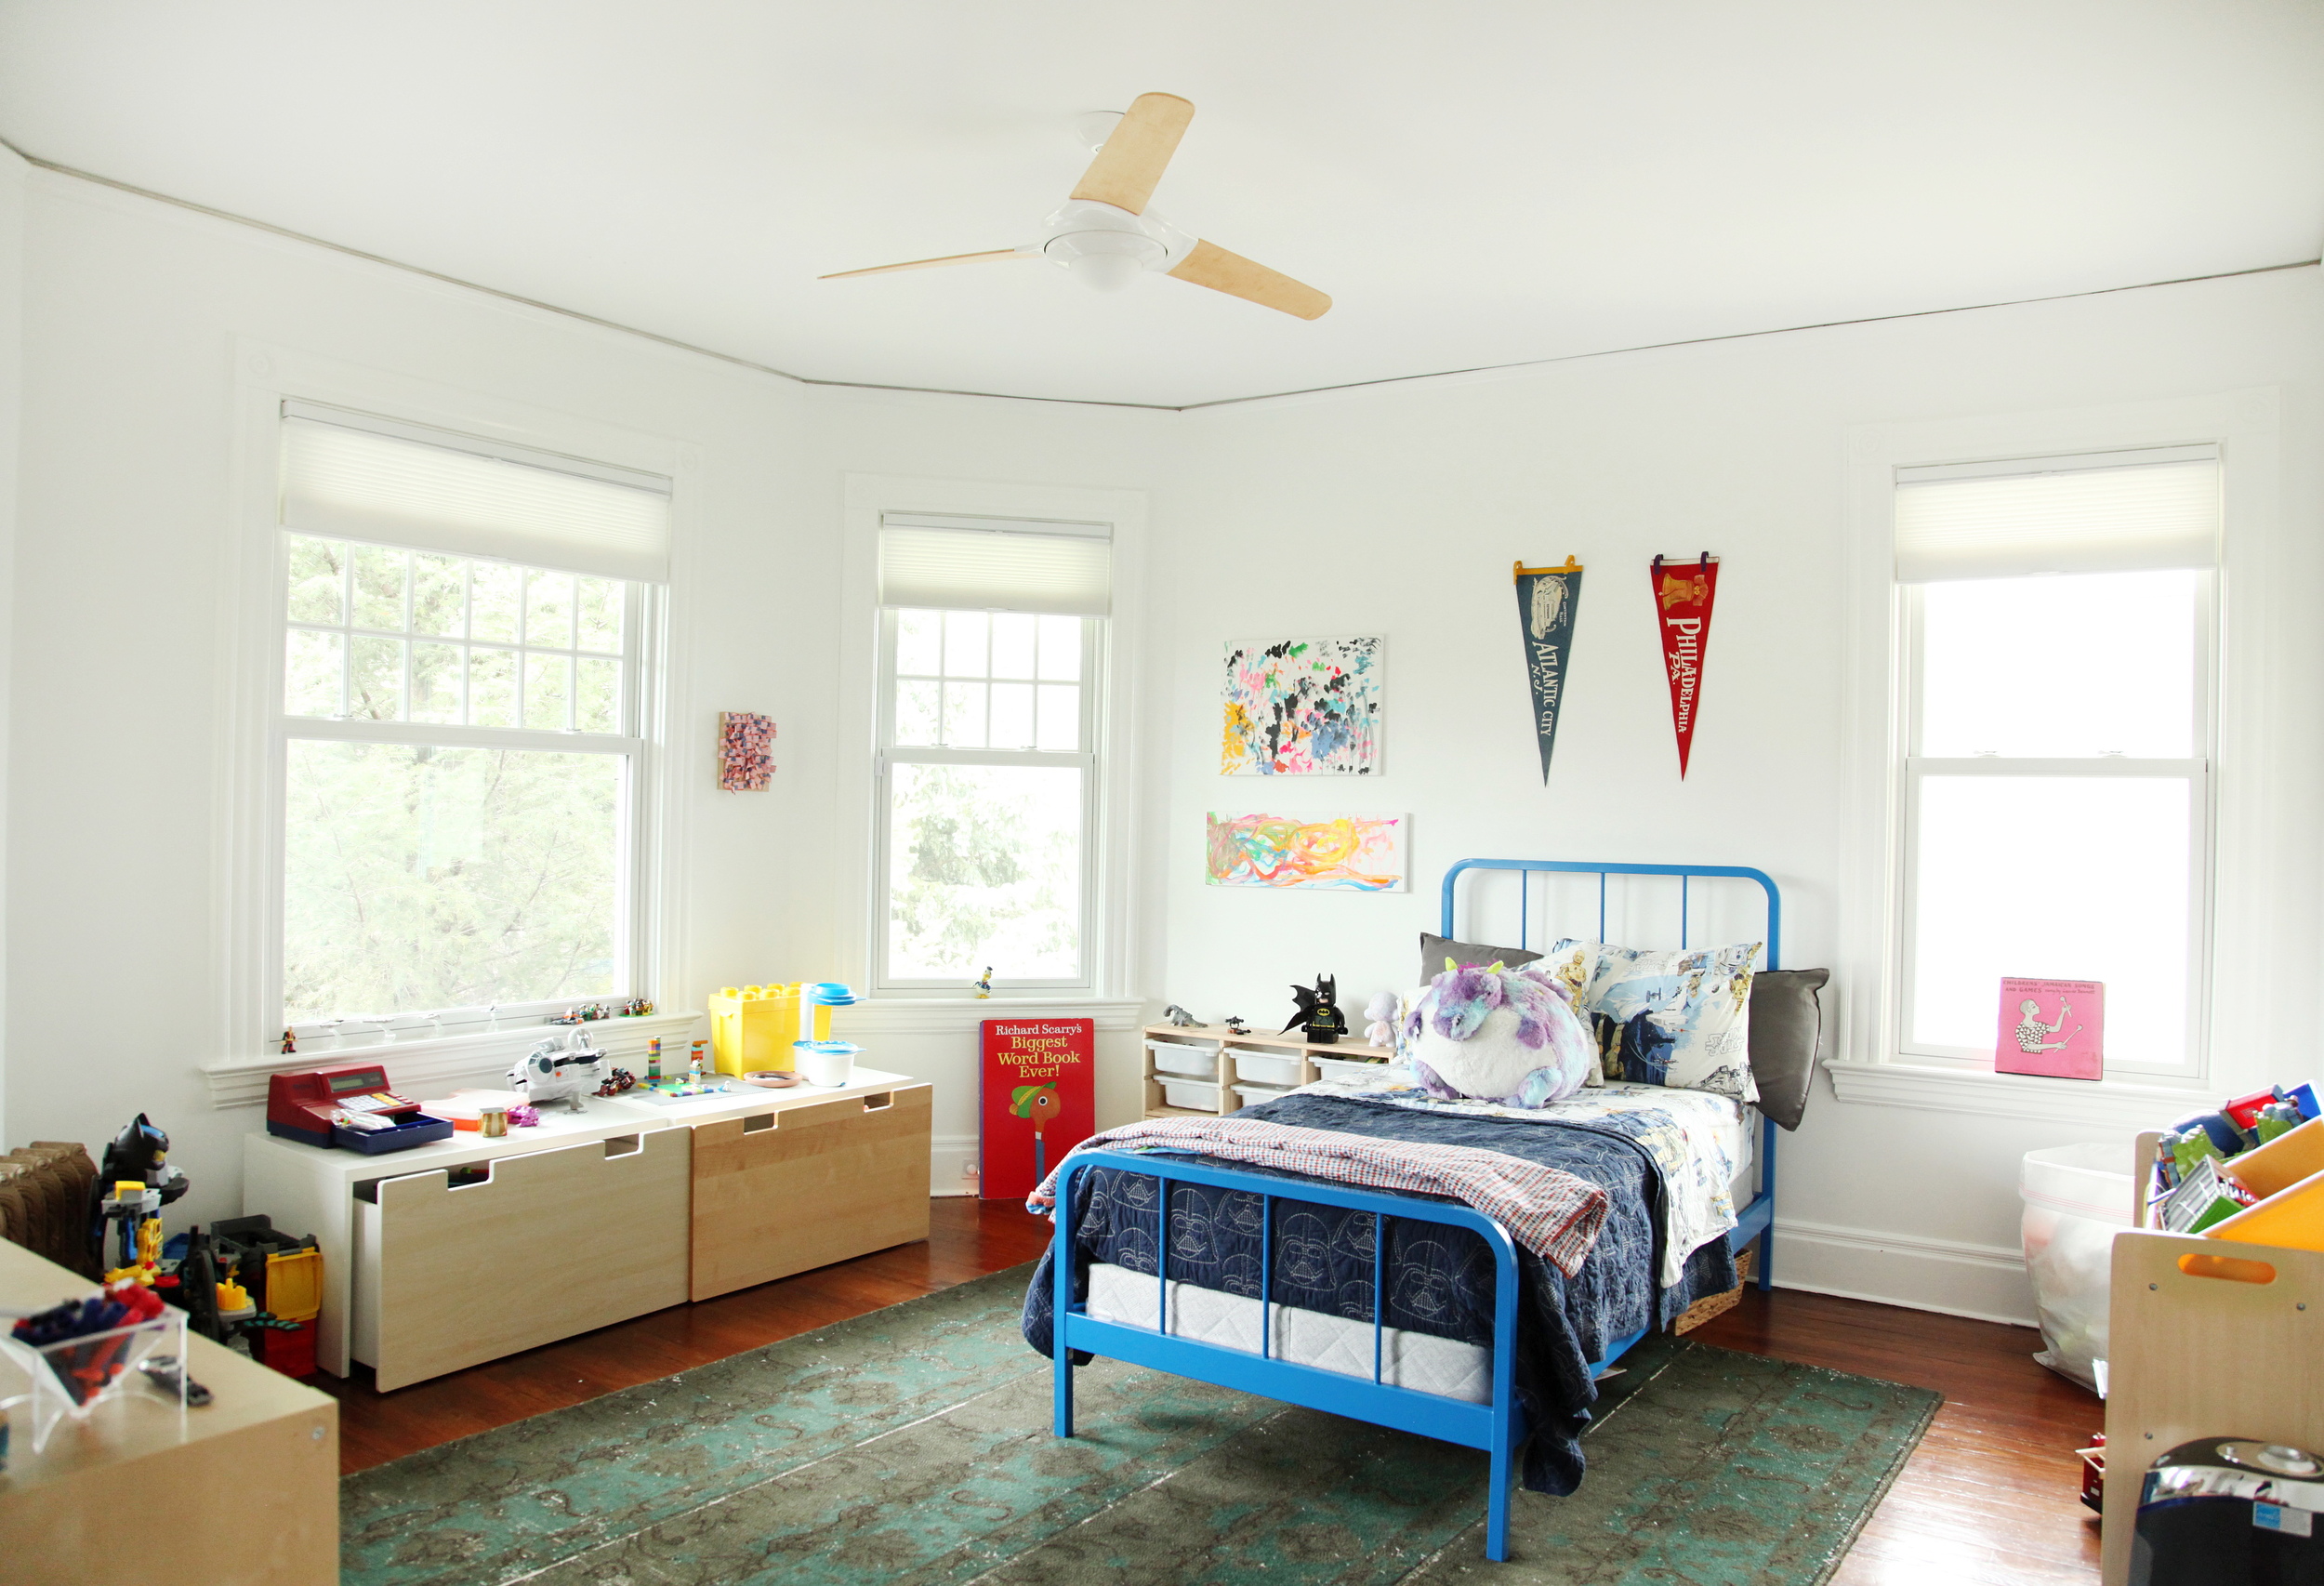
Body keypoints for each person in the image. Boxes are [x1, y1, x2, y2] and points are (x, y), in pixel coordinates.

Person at [2014, 997, 2080, 1054]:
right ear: (2029, 1010)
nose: (2038, 1007)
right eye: (2034, 1006)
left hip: (2039, 1058)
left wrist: (2063, 1012)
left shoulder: (2039, 1025)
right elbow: (2030, 1046)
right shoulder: (2020, 1029)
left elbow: (2056, 1029)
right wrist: (2055, 1045)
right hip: (2026, 1058)